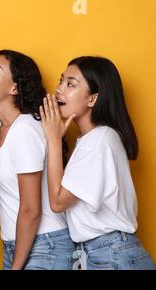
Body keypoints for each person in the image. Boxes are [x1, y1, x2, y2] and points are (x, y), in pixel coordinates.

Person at [40, 56, 155, 270]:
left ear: (92, 99)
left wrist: (53, 140)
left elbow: (57, 202)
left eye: (70, 84)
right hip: (103, 253)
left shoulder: (99, 140)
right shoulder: (94, 139)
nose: (59, 89)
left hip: (110, 254)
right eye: (61, 80)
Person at [0, 50, 75, 269]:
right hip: (19, 244)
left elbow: (31, 209)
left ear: (14, 88)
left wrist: (15, 266)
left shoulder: (25, 128)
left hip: (46, 246)